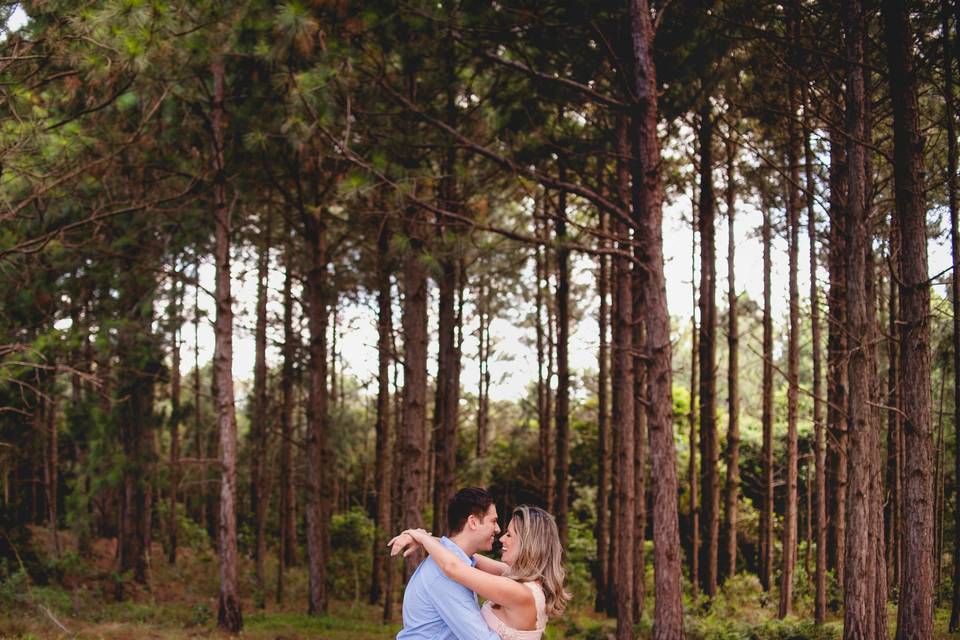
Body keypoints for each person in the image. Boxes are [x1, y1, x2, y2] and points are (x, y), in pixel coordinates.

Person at [392, 503, 570, 640]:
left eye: (510, 535)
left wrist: (421, 537)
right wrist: (423, 540)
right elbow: (462, 554)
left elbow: (453, 567)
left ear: (528, 544)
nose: (502, 538)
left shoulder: (518, 591)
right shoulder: (524, 582)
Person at [393, 487, 503, 640]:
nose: (498, 529)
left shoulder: (457, 562)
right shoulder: (445, 575)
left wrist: (423, 538)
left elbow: (507, 571)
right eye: (494, 521)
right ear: (473, 522)